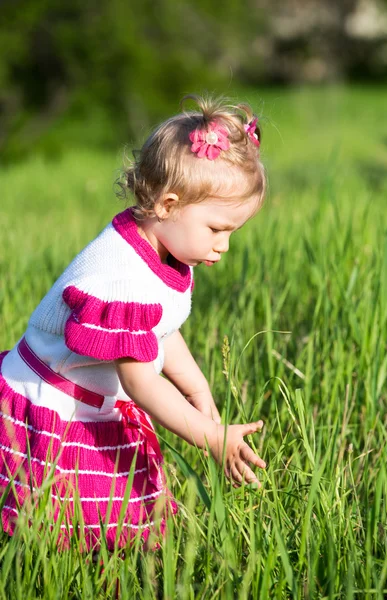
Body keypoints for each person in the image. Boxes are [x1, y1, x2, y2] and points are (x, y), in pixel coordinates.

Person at [0, 95, 267, 551]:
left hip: (89, 394)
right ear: (167, 204)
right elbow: (141, 382)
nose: (224, 245)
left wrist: (198, 390)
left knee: (117, 511)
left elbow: (160, 328)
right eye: (217, 229)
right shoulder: (120, 275)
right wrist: (212, 439)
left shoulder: (161, 243)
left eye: (232, 233)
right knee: (62, 521)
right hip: (50, 402)